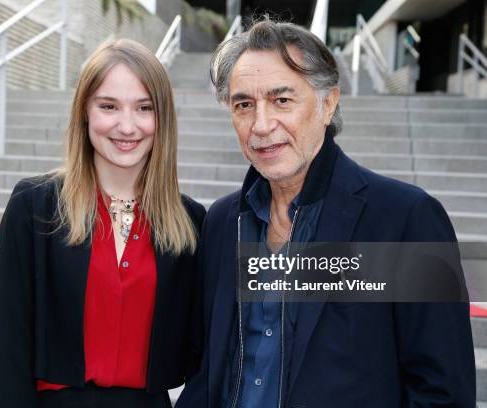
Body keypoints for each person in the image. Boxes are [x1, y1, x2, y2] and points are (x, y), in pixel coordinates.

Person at [176, 19, 476, 408]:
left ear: (328, 103)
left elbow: (443, 393)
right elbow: (208, 369)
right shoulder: (222, 221)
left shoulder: (405, 220)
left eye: (282, 100)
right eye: (244, 105)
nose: (262, 125)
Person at [0, 39, 205, 408]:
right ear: (85, 111)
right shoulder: (34, 207)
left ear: (162, 118)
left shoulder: (191, 223)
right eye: (108, 106)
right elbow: (8, 352)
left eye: (144, 108)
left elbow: (204, 357)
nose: (127, 126)